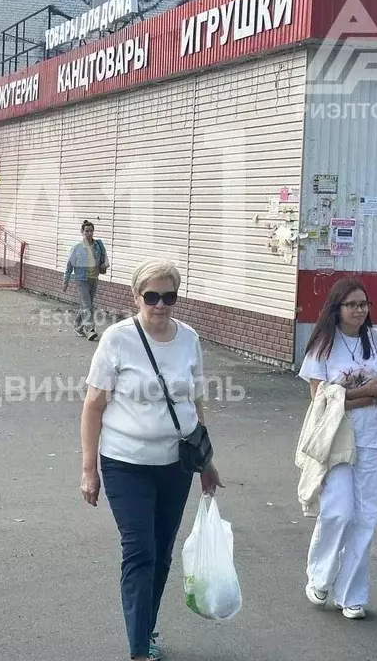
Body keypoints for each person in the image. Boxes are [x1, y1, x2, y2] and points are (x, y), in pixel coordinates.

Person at [80, 258, 223, 661]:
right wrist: (89, 471)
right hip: (125, 463)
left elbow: (194, 403)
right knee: (139, 550)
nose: (160, 305)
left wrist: (206, 463)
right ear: (136, 295)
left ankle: (146, 626)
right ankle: (139, 648)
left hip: (175, 465)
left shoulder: (189, 338)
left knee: (161, 553)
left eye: (169, 296)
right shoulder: (117, 339)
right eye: (152, 296)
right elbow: (93, 405)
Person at [297, 277, 377, 620]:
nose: (359, 310)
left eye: (363, 304)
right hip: (336, 437)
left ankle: (352, 594)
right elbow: (318, 399)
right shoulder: (323, 343)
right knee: (338, 511)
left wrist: (348, 394)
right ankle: (321, 577)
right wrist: (360, 394)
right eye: (352, 304)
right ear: (336, 308)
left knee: (366, 515)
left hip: (371, 435)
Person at [63, 220, 109, 341]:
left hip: (94, 278)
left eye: (91, 231)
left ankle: (77, 326)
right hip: (81, 279)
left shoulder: (98, 245)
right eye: (86, 231)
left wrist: (104, 265)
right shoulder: (77, 248)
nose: (89, 233)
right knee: (87, 305)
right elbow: (69, 265)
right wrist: (65, 281)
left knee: (86, 305)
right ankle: (90, 330)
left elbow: (104, 258)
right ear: (82, 232)